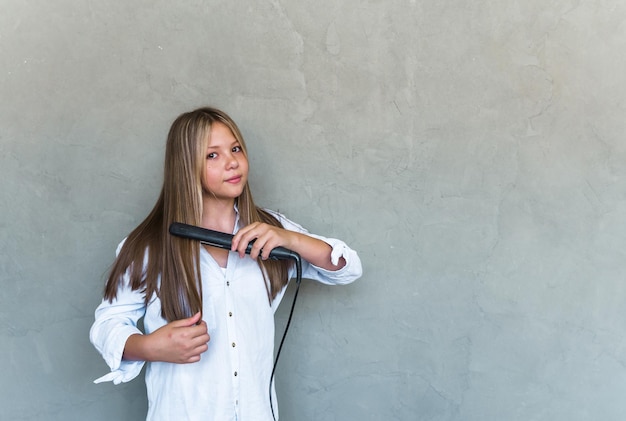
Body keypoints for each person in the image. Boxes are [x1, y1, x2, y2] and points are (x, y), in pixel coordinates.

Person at [89, 107, 362, 421]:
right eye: (212, 155)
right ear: (185, 166)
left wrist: (291, 239)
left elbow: (348, 268)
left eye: (235, 149)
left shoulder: (270, 231)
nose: (232, 162)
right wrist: (149, 347)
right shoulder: (149, 247)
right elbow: (106, 325)